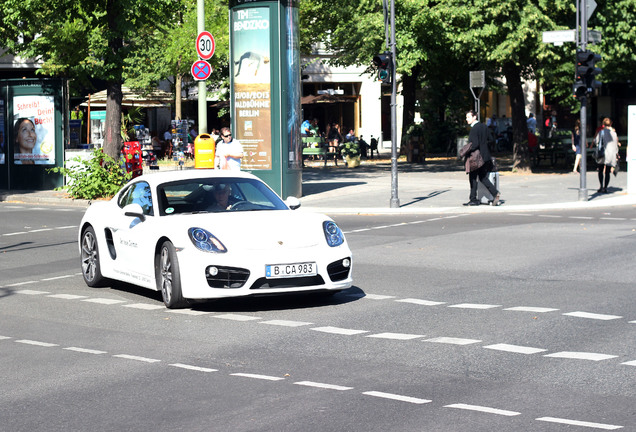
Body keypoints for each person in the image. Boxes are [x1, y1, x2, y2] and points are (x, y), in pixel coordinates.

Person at [463, 110, 500, 206]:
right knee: (483, 177)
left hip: (476, 158)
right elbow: (491, 139)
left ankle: (473, 199)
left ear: (474, 117)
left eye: (468, 117)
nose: (467, 119)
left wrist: (466, 150)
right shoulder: (484, 126)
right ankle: (495, 193)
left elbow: (474, 145)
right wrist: (484, 147)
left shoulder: (474, 129)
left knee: (473, 177)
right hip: (485, 156)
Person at [594, 117, 621, 193]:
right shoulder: (614, 133)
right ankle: (605, 187)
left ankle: (601, 186)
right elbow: (616, 145)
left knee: (600, 170)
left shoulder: (601, 132)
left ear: (603, 124)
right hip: (611, 154)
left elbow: (596, 141)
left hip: (602, 154)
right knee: (607, 172)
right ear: (611, 124)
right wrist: (616, 154)